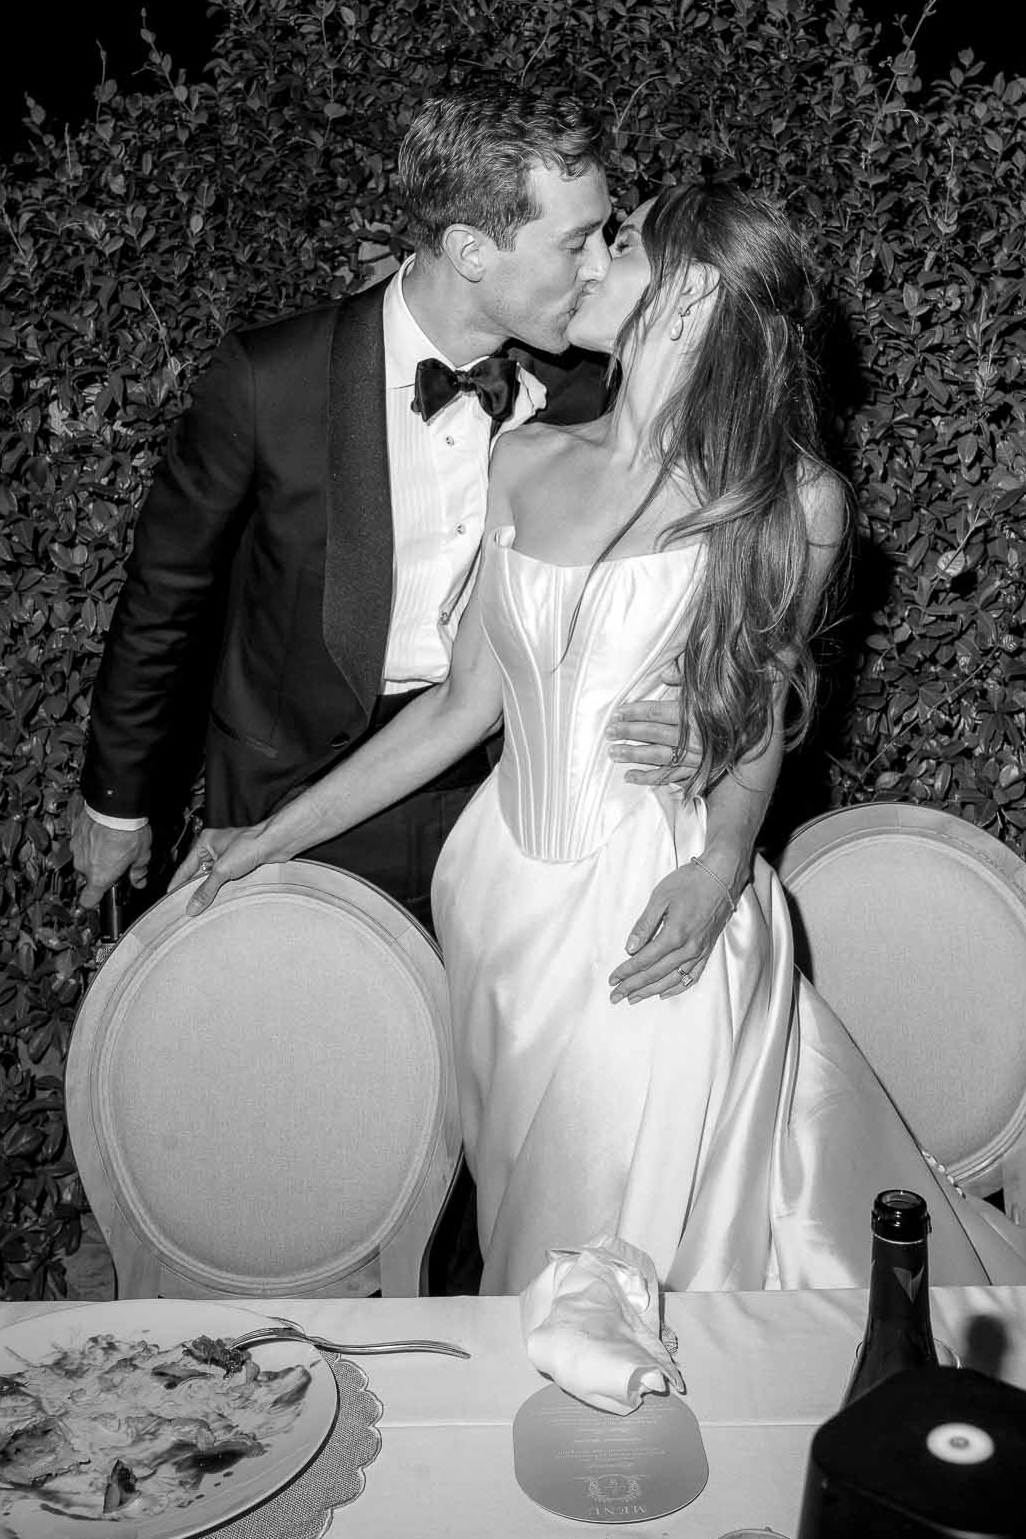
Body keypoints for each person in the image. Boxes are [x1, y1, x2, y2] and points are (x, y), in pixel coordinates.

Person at [176, 178, 1026, 1296]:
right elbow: (462, 708)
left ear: (688, 295)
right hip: (499, 903)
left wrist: (725, 857)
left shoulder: (792, 502)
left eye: (623, 245)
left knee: (616, 1265)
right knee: (522, 1240)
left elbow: (765, 710)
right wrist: (267, 834)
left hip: (658, 913)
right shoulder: (524, 458)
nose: (589, 262)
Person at [69, 81, 683, 935]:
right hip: (295, 801)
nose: (597, 270)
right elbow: (166, 596)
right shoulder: (271, 379)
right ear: (471, 250)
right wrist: (117, 803)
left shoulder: (597, 389)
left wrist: (698, 714)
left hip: (520, 794)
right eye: (576, 242)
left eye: (605, 239)